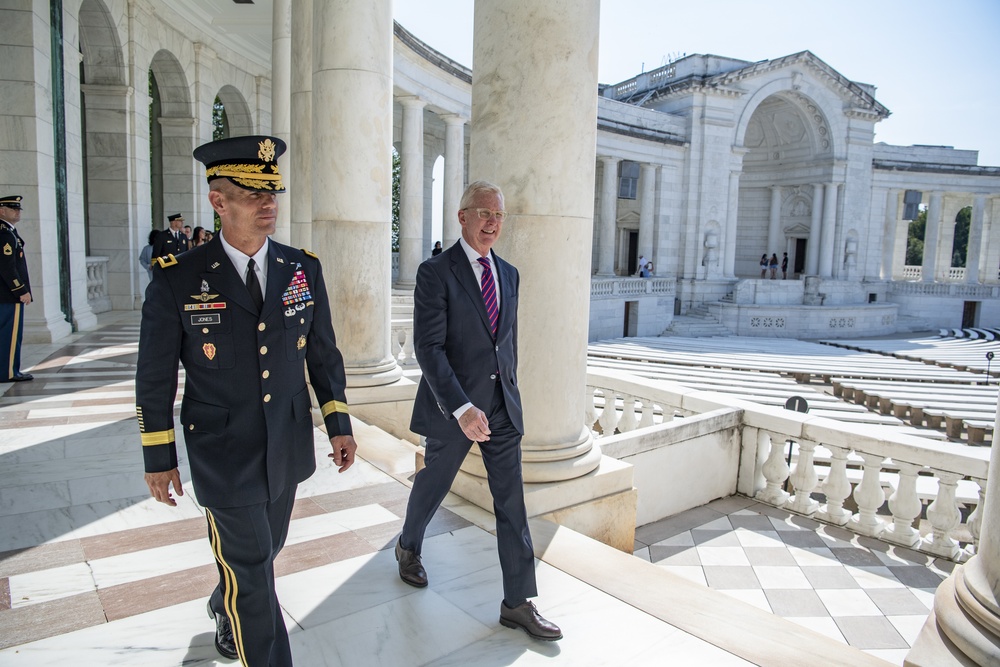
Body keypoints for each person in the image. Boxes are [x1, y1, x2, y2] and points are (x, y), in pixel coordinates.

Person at [135, 135, 358, 666]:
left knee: (262, 553)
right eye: (253, 193)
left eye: (272, 192)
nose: (269, 204)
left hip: (285, 443)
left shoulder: (302, 268)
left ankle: (223, 598)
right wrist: (158, 456)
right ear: (219, 202)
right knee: (257, 578)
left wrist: (339, 422)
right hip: (222, 451)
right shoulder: (177, 280)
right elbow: (154, 376)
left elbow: (322, 354)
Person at [396, 180, 562, 641]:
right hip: (455, 409)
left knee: (512, 503)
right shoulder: (435, 273)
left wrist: (506, 392)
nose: (492, 222)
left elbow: (504, 344)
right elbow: (429, 350)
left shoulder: (509, 273)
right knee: (434, 483)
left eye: (499, 215)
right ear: (462, 217)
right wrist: (463, 408)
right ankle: (408, 545)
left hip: (502, 409)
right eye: (484, 213)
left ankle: (518, 602)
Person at [0, 195, 33, 382]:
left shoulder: (8, 231)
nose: (17, 212)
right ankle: (9, 372)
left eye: (18, 209)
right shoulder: (5, 234)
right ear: (1, 211)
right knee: (9, 336)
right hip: (8, 296)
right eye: (13, 209)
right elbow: (7, 267)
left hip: (5, 296)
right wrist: (21, 290)